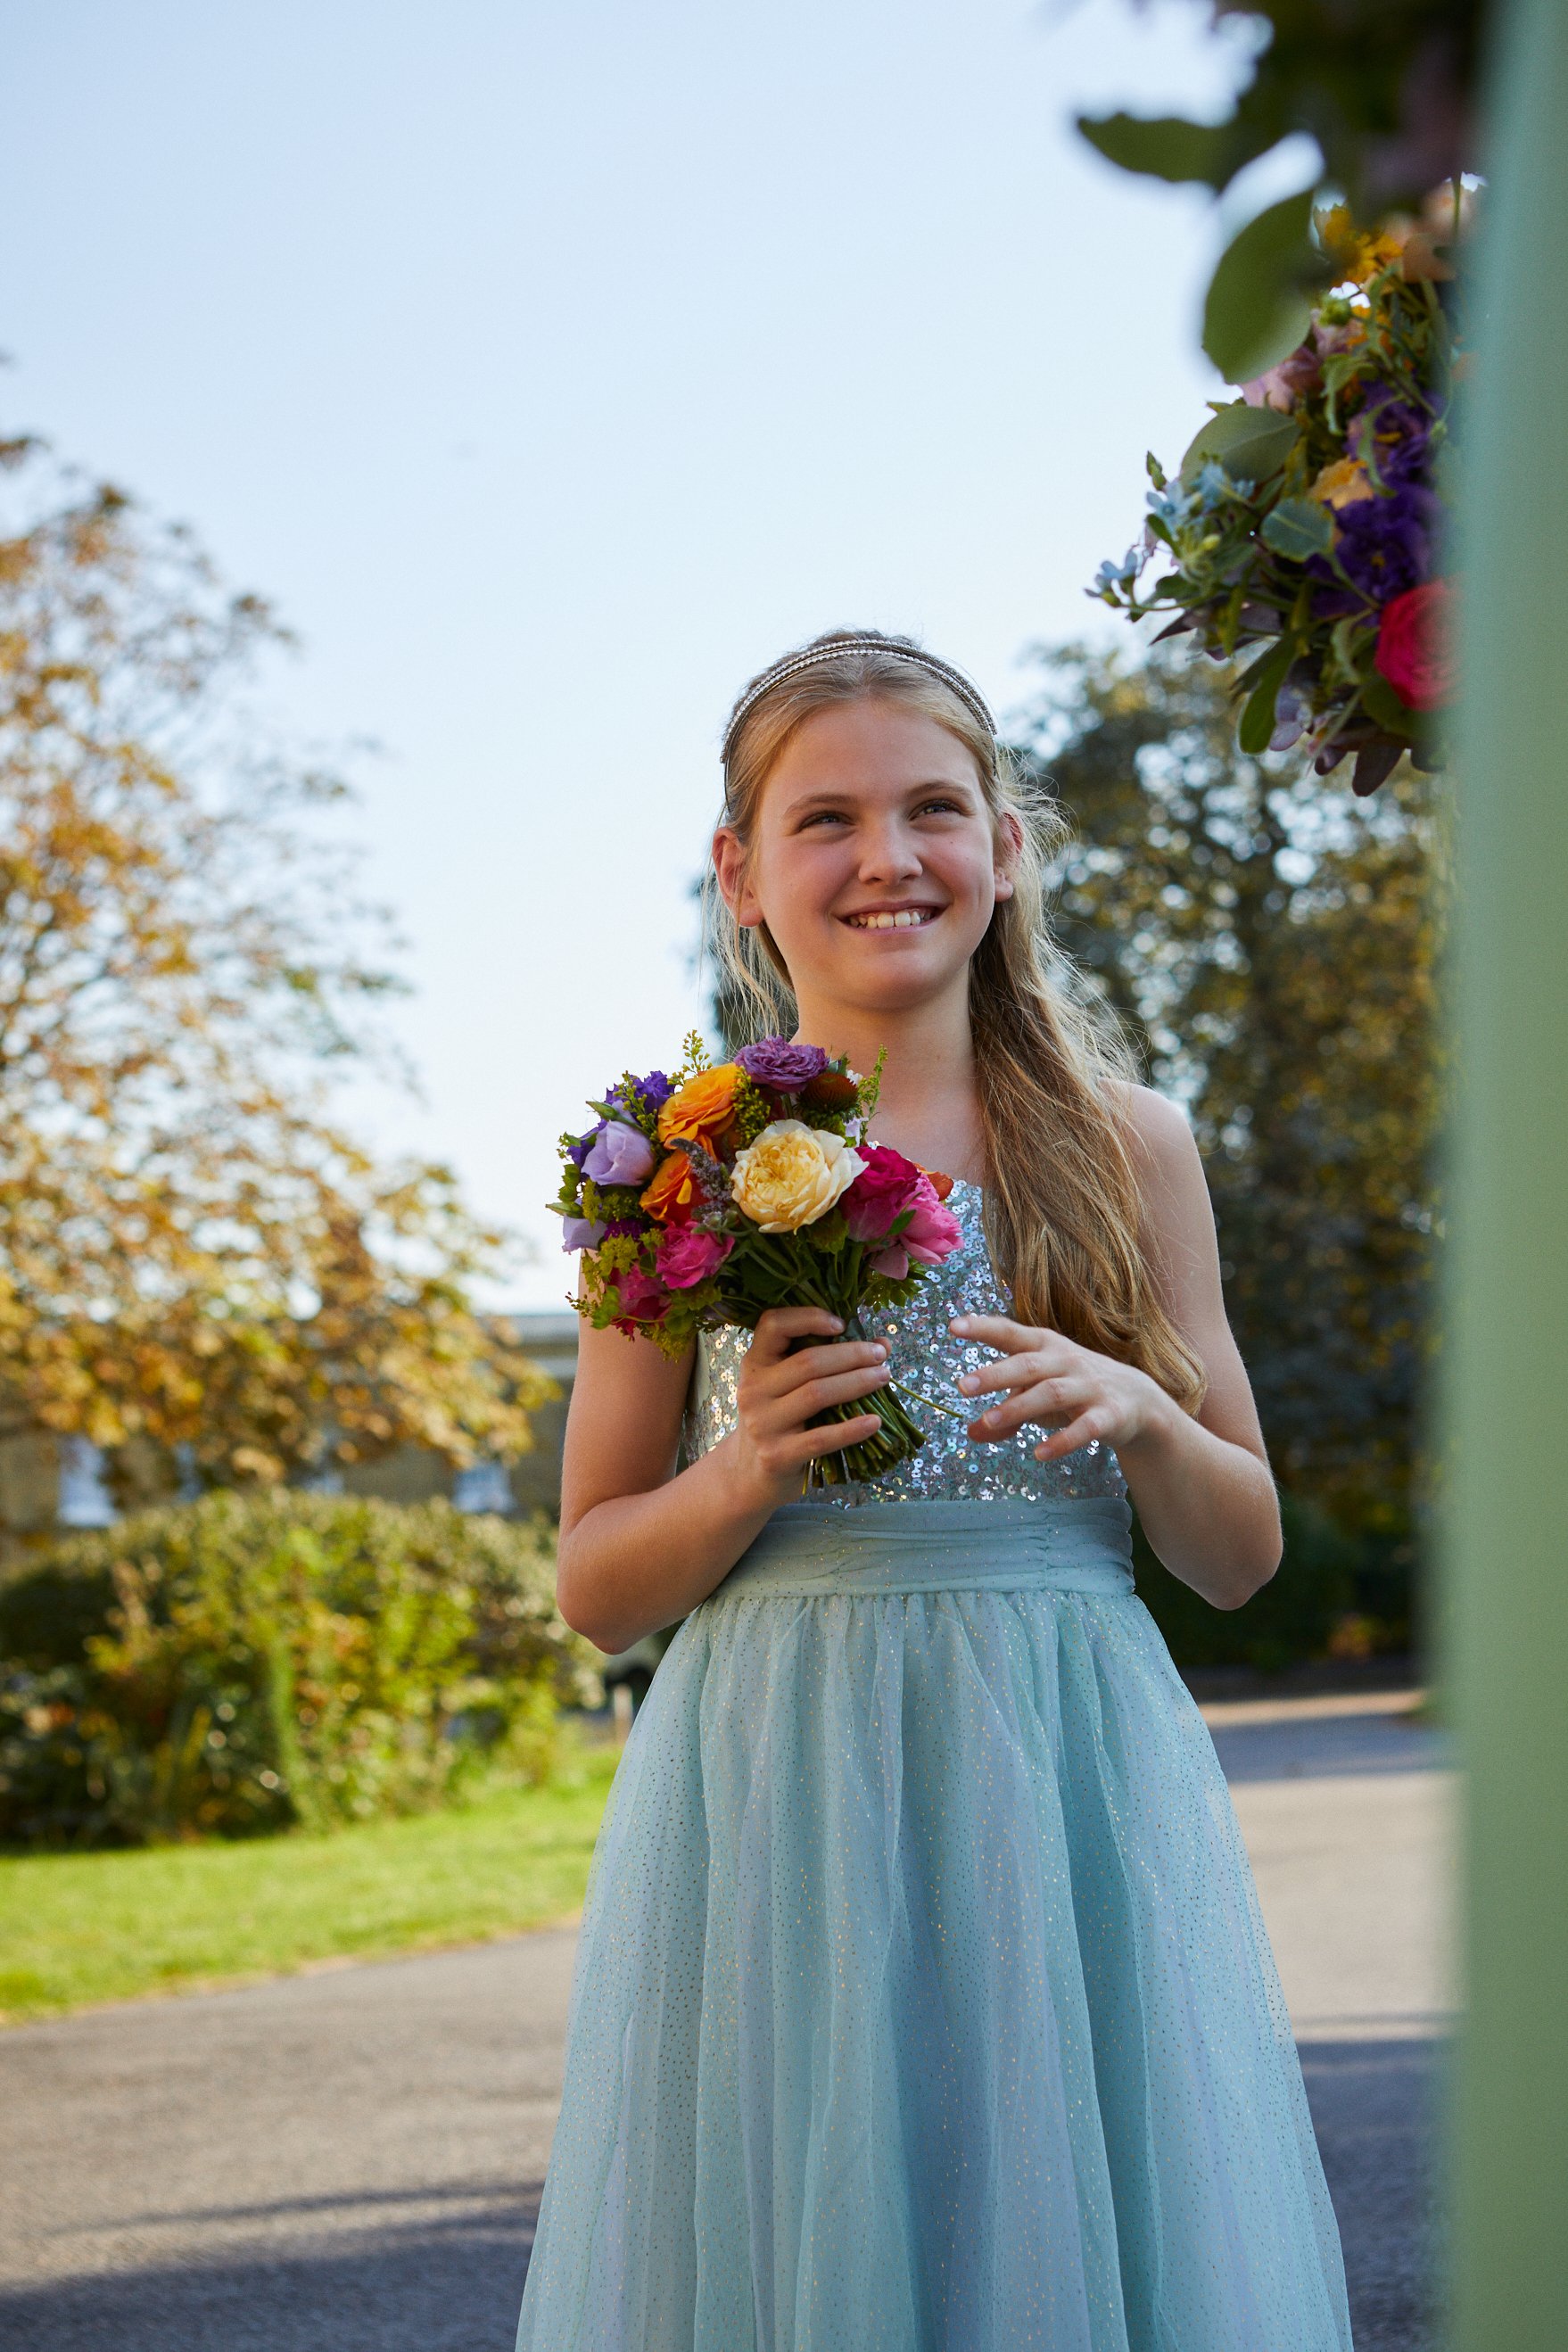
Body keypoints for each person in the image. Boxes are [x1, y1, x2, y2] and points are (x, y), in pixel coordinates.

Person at [515, 631, 1352, 2351]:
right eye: (825, 819)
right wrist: (740, 1469)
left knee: (1055, 2203)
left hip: (1064, 1760)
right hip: (780, 1774)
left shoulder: (1128, 1141)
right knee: (817, 2221)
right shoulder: (671, 1159)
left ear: (1007, 842)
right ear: (740, 871)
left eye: (932, 810)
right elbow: (596, 1579)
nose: (887, 858)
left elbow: (1239, 1552)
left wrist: (1139, 1408)